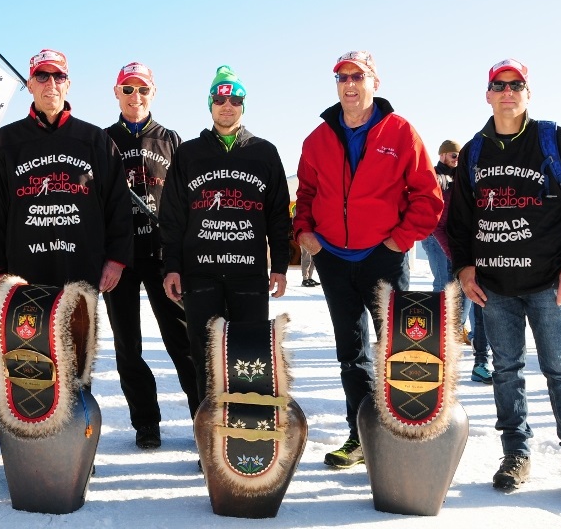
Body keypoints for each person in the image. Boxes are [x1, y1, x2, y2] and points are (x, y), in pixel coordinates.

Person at [448, 58, 561, 506]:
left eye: (516, 84)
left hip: (549, 284)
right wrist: (464, 268)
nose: (507, 92)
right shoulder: (475, 152)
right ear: (487, 94)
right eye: (499, 85)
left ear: (527, 93)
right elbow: (458, 220)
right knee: (505, 372)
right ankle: (515, 454)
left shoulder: (556, 141)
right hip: (495, 287)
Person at [293, 50, 442, 469]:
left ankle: (405, 437)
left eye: (358, 76)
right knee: (351, 352)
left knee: (400, 349)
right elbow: (304, 195)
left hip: (383, 258)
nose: (349, 84)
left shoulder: (400, 132)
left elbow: (428, 198)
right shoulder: (317, 139)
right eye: (341, 77)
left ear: (375, 82)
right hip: (334, 260)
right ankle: (358, 437)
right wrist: (305, 232)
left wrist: (399, 241)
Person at [160, 65, 291, 409]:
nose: (227, 105)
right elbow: (172, 216)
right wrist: (171, 266)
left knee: (249, 355)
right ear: (210, 105)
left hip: (248, 273)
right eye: (220, 99)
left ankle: (246, 430)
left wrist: (279, 265)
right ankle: (208, 436)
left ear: (243, 105)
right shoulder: (189, 153)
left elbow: (278, 214)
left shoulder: (264, 152)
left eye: (234, 99)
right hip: (199, 274)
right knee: (205, 357)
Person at [0, 49, 132, 293]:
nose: (50, 83)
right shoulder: (6, 142)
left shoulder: (95, 140)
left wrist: (116, 260)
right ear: (29, 84)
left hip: (82, 271)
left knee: (77, 333)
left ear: (68, 85)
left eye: (58, 77)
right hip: (22, 274)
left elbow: (118, 204)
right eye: (41, 76)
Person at [103, 61, 199, 449]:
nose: (135, 96)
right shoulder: (103, 140)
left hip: (163, 257)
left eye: (142, 89)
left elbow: (187, 200)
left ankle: (201, 417)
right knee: (129, 345)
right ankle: (146, 422)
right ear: (116, 93)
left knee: (182, 341)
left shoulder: (171, 139)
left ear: (153, 93)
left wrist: (181, 254)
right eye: (128, 89)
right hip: (121, 259)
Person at [425, 139, 492, 385]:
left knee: (481, 305)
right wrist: (457, 257)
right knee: (451, 296)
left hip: (482, 254)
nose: (458, 160)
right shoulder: (439, 179)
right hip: (452, 249)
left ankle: (481, 360)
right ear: (443, 155)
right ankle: (441, 361)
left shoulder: (474, 179)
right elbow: (438, 223)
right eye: (454, 155)